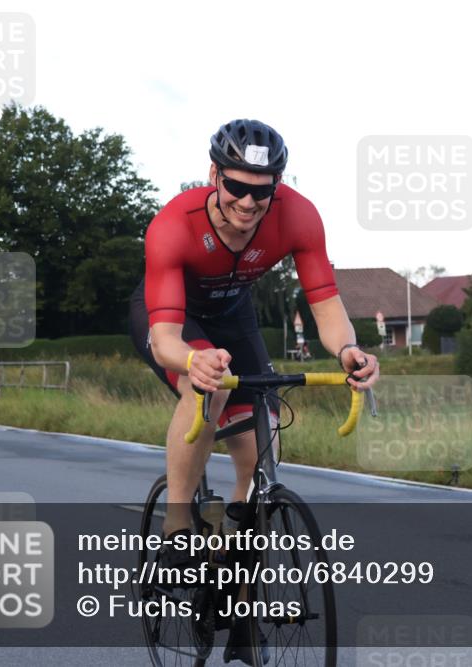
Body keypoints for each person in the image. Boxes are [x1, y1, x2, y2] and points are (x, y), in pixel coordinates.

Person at [128, 119, 379, 663]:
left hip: (233, 315)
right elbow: (167, 337)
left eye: (261, 192)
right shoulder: (175, 225)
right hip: (171, 316)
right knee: (209, 393)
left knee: (262, 459)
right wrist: (195, 361)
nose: (247, 202)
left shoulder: (299, 216)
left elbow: (326, 306)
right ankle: (176, 527)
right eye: (236, 187)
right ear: (213, 175)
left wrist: (348, 353)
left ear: (277, 187)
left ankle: (239, 607)